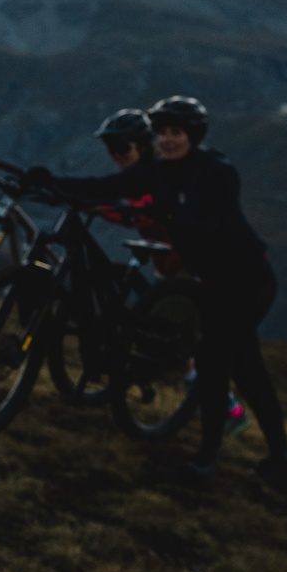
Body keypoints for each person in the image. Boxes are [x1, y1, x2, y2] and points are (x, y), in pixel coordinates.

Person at [37, 96, 287, 486]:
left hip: (246, 281)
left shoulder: (217, 170)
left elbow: (220, 222)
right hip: (208, 285)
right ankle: (279, 459)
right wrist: (50, 183)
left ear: (193, 135)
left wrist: (172, 214)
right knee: (243, 369)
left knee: (217, 362)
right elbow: (107, 187)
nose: (168, 140)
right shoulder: (155, 172)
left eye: (176, 132)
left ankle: (209, 461)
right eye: (162, 133)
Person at [85, 106, 247, 439]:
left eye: (122, 149)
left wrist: (107, 209)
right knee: (174, 340)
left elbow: (146, 212)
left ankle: (228, 410)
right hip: (170, 269)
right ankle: (219, 405)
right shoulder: (139, 175)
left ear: (142, 147)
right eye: (111, 150)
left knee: (171, 337)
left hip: (197, 270)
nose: (116, 156)